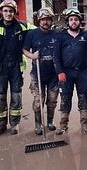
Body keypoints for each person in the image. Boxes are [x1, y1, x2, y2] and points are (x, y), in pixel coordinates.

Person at [53, 8, 87, 135]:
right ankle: (63, 125)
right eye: (71, 19)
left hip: (83, 72)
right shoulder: (61, 36)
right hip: (66, 73)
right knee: (65, 99)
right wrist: (59, 72)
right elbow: (56, 56)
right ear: (67, 22)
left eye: (76, 19)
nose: (74, 22)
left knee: (83, 98)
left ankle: (84, 123)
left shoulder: (86, 36)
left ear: (80, 21)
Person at [0, 0, 35, 135]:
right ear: (1, 12)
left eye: (11, 11)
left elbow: (38, 31)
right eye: (5, 11)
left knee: (16, 96)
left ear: (14, 12)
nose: (8, 13)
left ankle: (14, 123)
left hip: (16, 68)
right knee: (1, 98)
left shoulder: (22, 27)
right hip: (0, 69)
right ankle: (1, 124)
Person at [23, 7, 59, 135]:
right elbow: (25, 49)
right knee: (38, 101)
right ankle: (38, 123)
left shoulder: (56, 34)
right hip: (37, 73)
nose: (46, 22)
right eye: (43, 19)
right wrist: (32, 56)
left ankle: (50, 121)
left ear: (51, 20)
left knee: (52, 100)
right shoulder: (32, 34)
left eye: (48, 19)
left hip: (53, 75)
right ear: (39, 21)